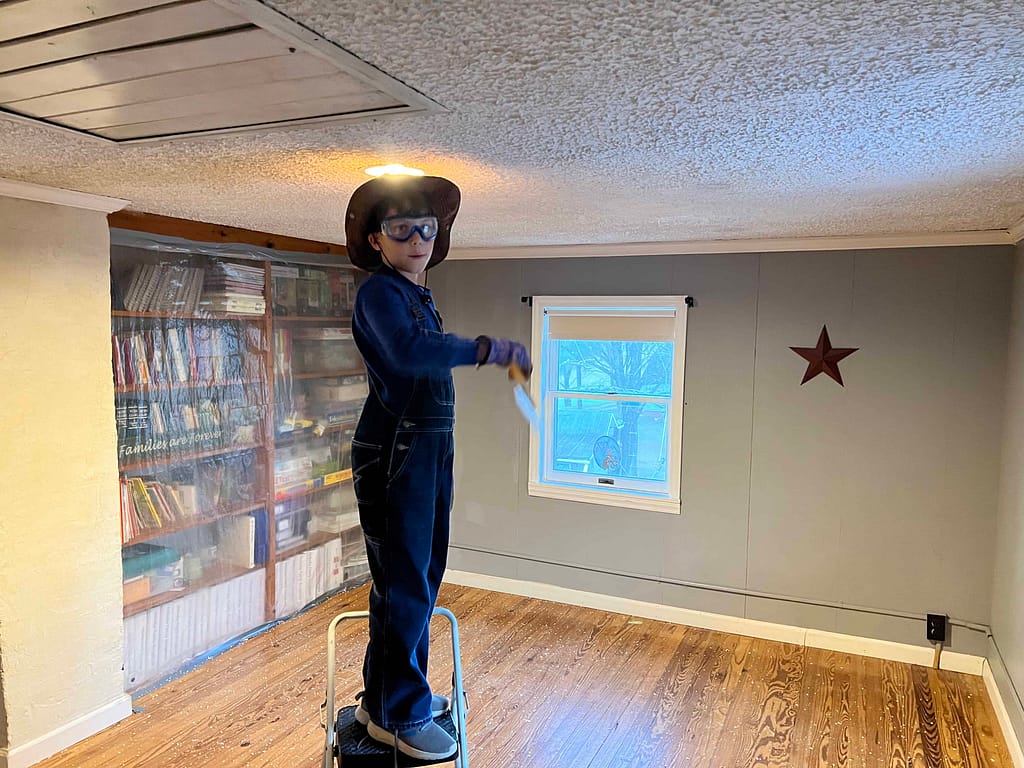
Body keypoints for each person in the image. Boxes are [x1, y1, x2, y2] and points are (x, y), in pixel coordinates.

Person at [344, 174, 531, 760]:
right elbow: (407, 352)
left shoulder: (413, 292)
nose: (418, 239)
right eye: (401, 228)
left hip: (424, 448)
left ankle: (389, 699)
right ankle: (400, 715)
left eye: (427, 228)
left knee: (413, 583)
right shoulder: (379, 293)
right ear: (377, 239)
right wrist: (485, 348)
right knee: (405, 585)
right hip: (396, 451)